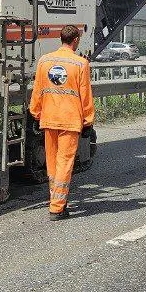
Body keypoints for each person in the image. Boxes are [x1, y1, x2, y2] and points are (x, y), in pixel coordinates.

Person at [29, 24, 94, 220]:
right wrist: (88, 121)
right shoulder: (80, 64)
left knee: (52, 163)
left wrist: (35, 112)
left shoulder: (44, 61)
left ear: (61, 39)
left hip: (49, 119)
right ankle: (57, 207)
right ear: (76, 40)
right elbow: (85, 95)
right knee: (64, 163)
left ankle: (56, 200)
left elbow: (38, 90)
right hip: (70, 121)